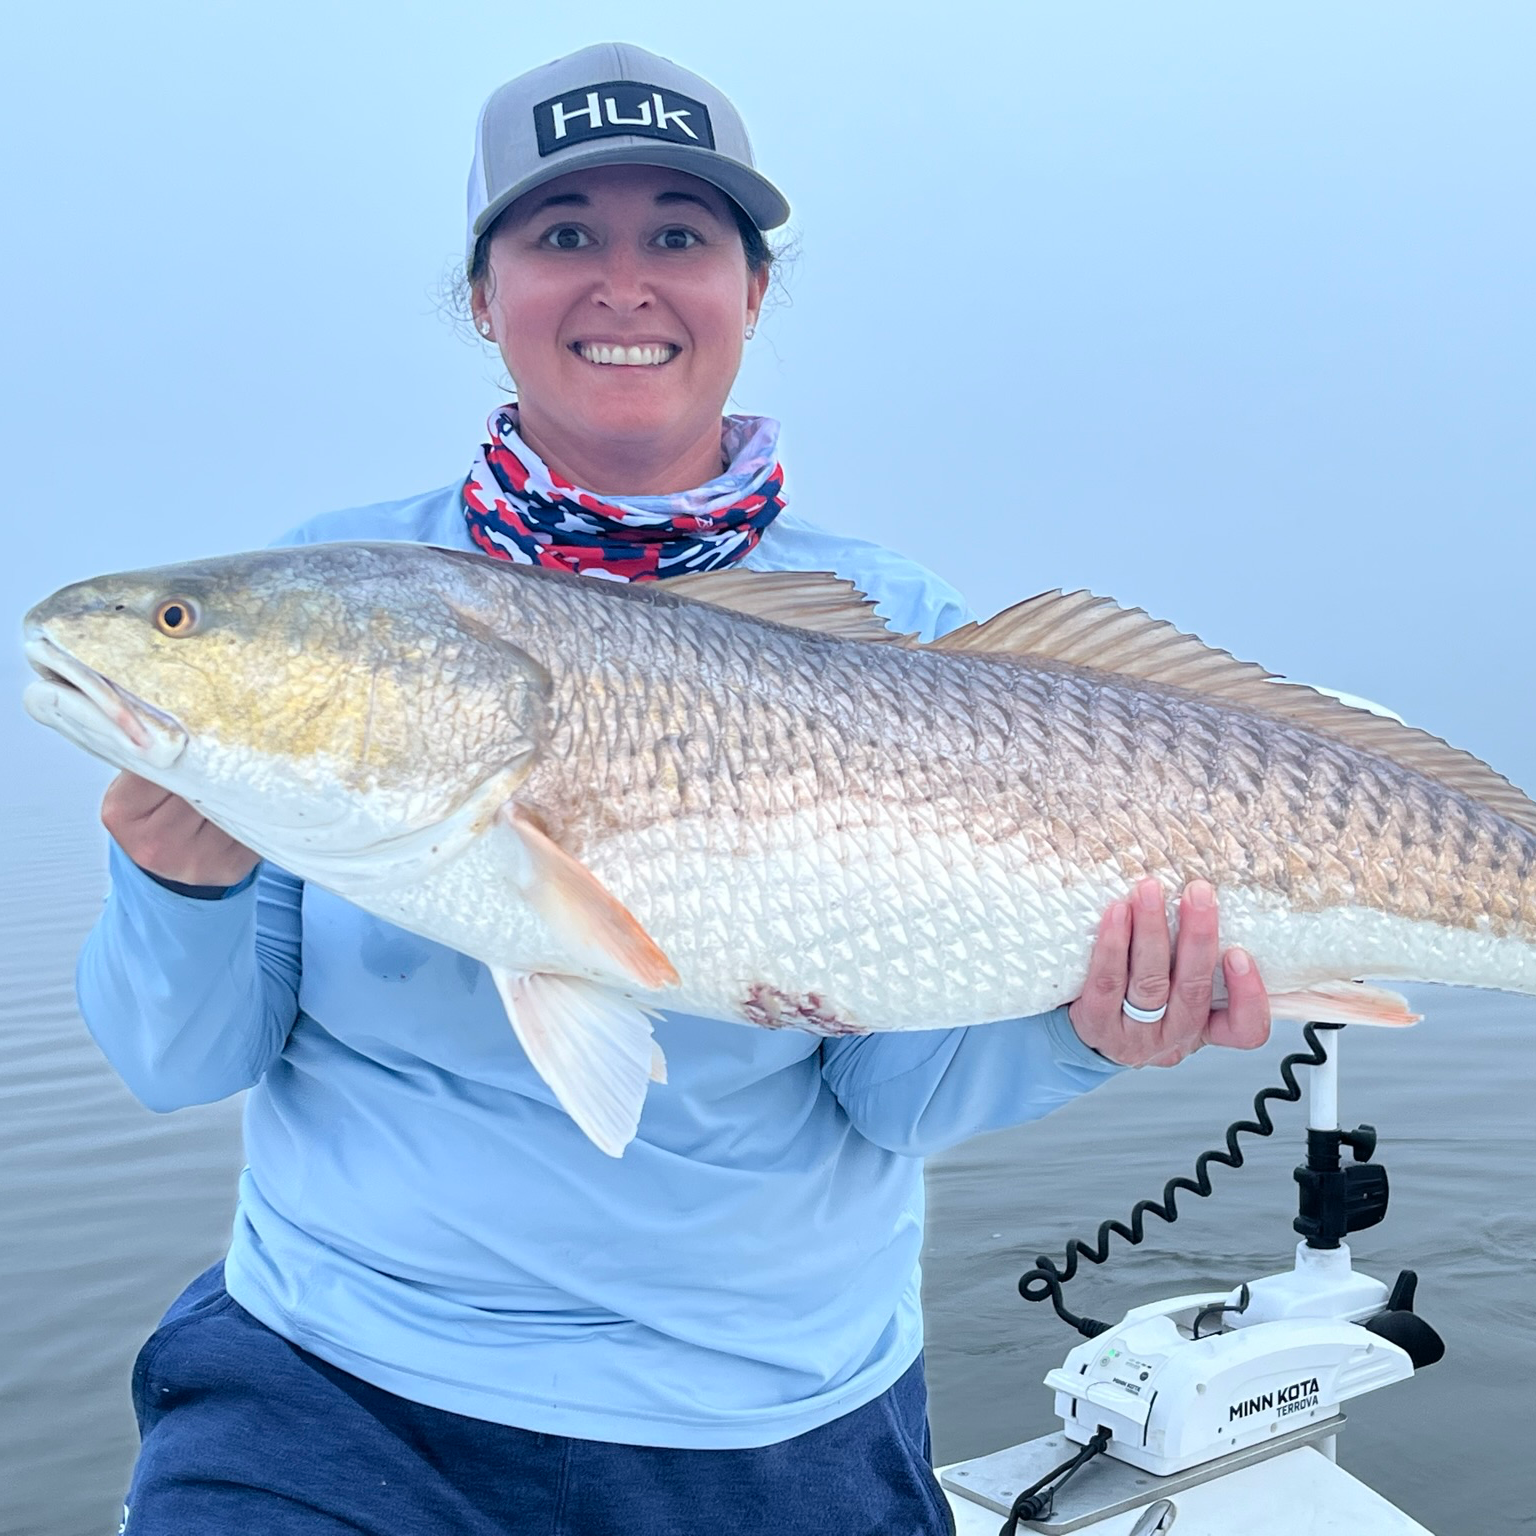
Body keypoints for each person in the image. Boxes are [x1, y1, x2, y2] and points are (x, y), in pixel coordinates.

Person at [80, 42, 1271, 1536]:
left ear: (754, 294)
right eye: (563, 233)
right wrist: (177, 881)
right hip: (334, 1392)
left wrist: (1095, 1029)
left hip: (773, 1424)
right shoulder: (348, 590)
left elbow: (895, 1093)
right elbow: (180, 1061)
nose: (622, 282)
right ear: (481, 295)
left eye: (681, 236)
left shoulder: (897, 625)